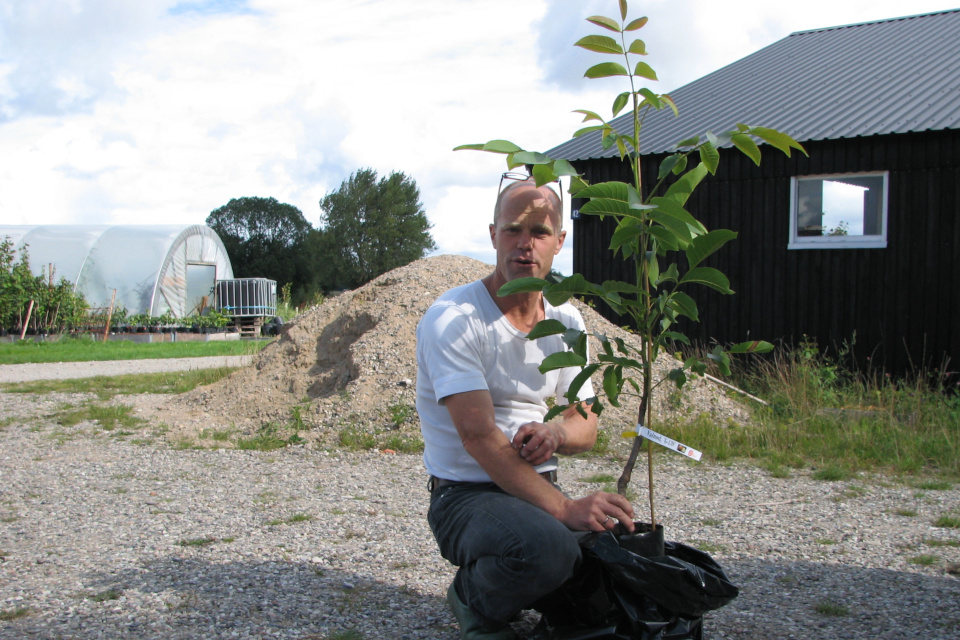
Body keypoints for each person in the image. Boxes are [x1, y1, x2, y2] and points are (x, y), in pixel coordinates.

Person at [415, 173, 635, 640]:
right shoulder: (454, 320)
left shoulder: (566, 320)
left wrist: (555, 433)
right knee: (549, 549)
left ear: (559, 241)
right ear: (493, 235)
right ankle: (474, 598)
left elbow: (586, 422)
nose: (524, 245)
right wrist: (563, 510)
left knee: (621, 559)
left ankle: (543, 584)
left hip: (536, 486)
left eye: (538, 232)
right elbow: (478, 438)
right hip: (466, 495)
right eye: (513, 229)